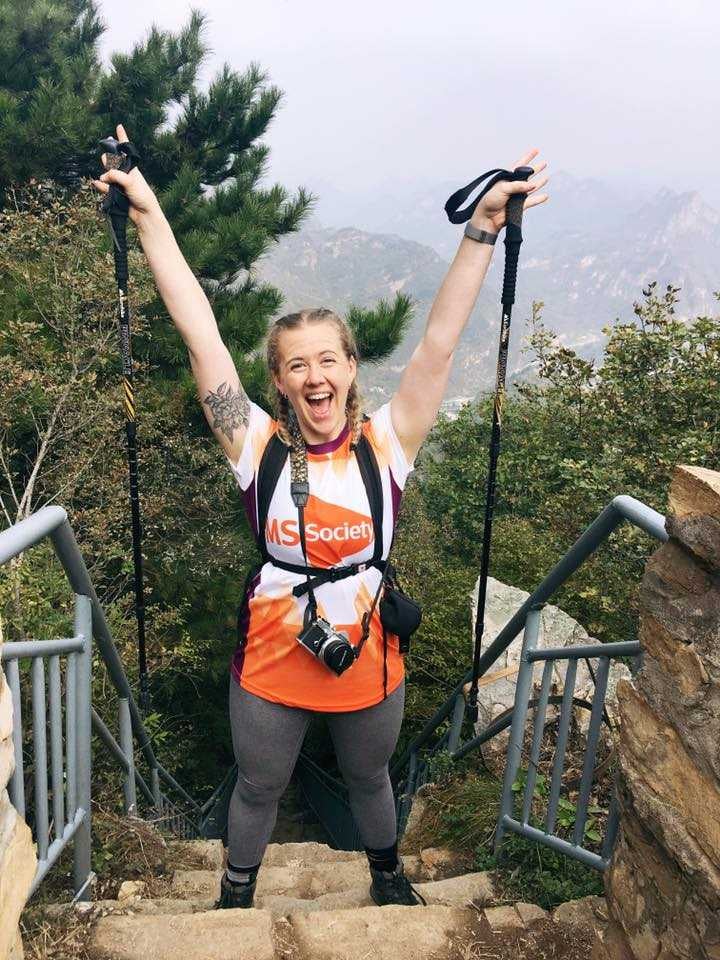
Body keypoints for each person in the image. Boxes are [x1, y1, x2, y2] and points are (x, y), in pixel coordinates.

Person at [93, 125, 548, 908]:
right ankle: (236, 896)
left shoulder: (387, 447)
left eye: (327, 359)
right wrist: (147, 213)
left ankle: (386, 876)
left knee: (370, 776)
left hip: (369, 656)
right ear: (278, 380)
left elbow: (438, 348)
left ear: (348, 369)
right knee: (259, 787)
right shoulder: (256, 448)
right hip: (273, 660)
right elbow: (201, 334)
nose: (315, 375)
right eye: (296, 363)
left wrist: (482, 230)